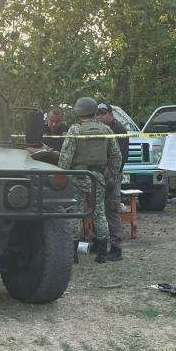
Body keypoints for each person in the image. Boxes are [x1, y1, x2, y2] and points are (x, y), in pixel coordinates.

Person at [57, 97, 122, 263]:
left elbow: (65, 156)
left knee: (75, 213)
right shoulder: (107, 130)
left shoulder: (75, 130)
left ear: (78, 112)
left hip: (77, 177)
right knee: (99, 212)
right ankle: (102, 254)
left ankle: (73, 255)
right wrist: (112, 175)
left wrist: (61, 176)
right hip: (98, 177)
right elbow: (116, 156)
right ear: (93, 111)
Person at [96, 103, 129, 261]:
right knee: (98, 211)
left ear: (110, 114)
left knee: (112, 211)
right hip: (100, 174)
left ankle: (116, 249)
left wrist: (111, 175)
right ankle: (100, 243)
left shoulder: (119, 130)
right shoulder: (99, 129)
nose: (100, 116)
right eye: (98, 114)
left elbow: (121, 157)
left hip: (113, 176)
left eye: (103, 113)